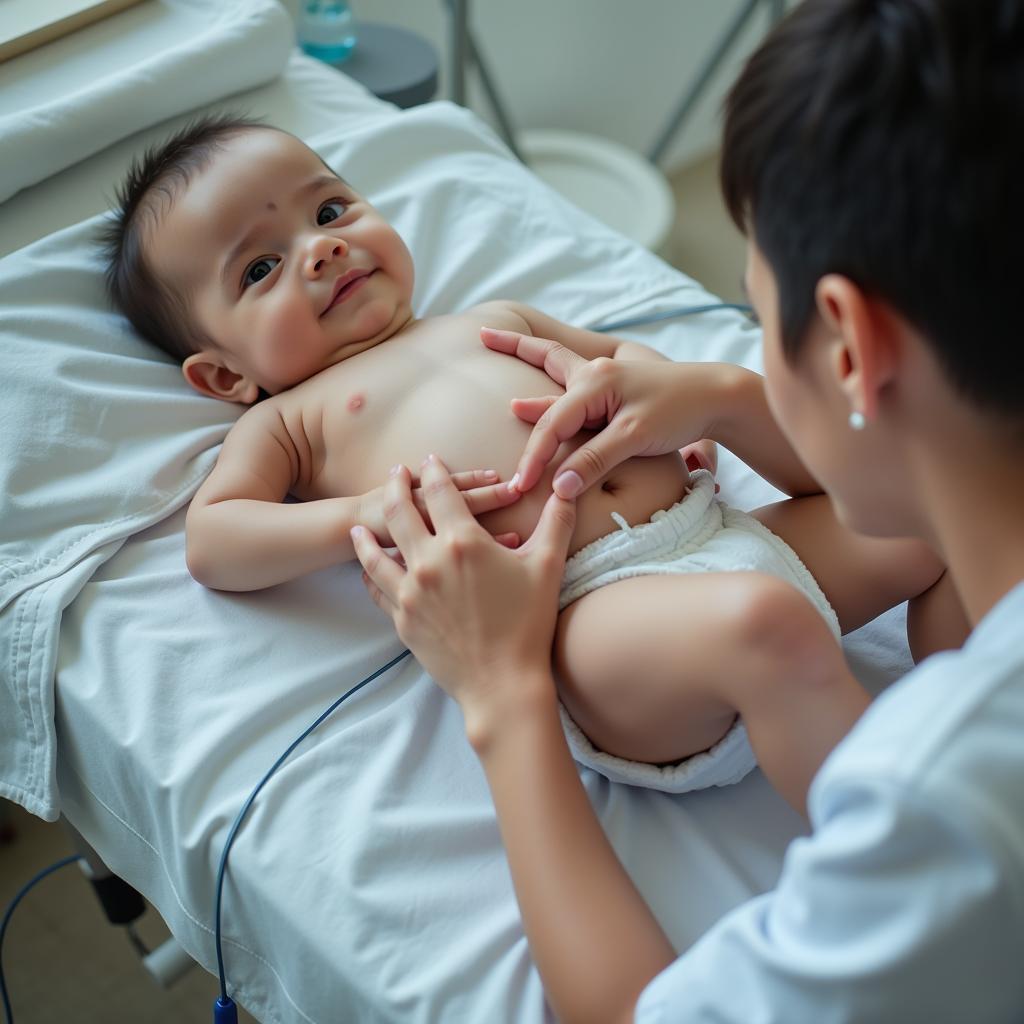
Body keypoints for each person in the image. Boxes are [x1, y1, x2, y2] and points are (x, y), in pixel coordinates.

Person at [350, 0, 1024, 1021]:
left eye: (756, 316)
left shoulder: (942, 795)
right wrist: (727, 396)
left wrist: (501, 697)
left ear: (847, 345)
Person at [102, 114, 950, 811]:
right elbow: (215, 540)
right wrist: (359, 517)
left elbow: (618, 354)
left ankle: (983, 709)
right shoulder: (291, 419)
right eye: (260, 267)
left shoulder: (494, 314)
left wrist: (656, 397)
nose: (319, 250)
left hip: (716, 531)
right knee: (766, 625)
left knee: (942, 516)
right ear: (223, 375)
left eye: (328, 213)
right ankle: (907, 862)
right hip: (591, 624)